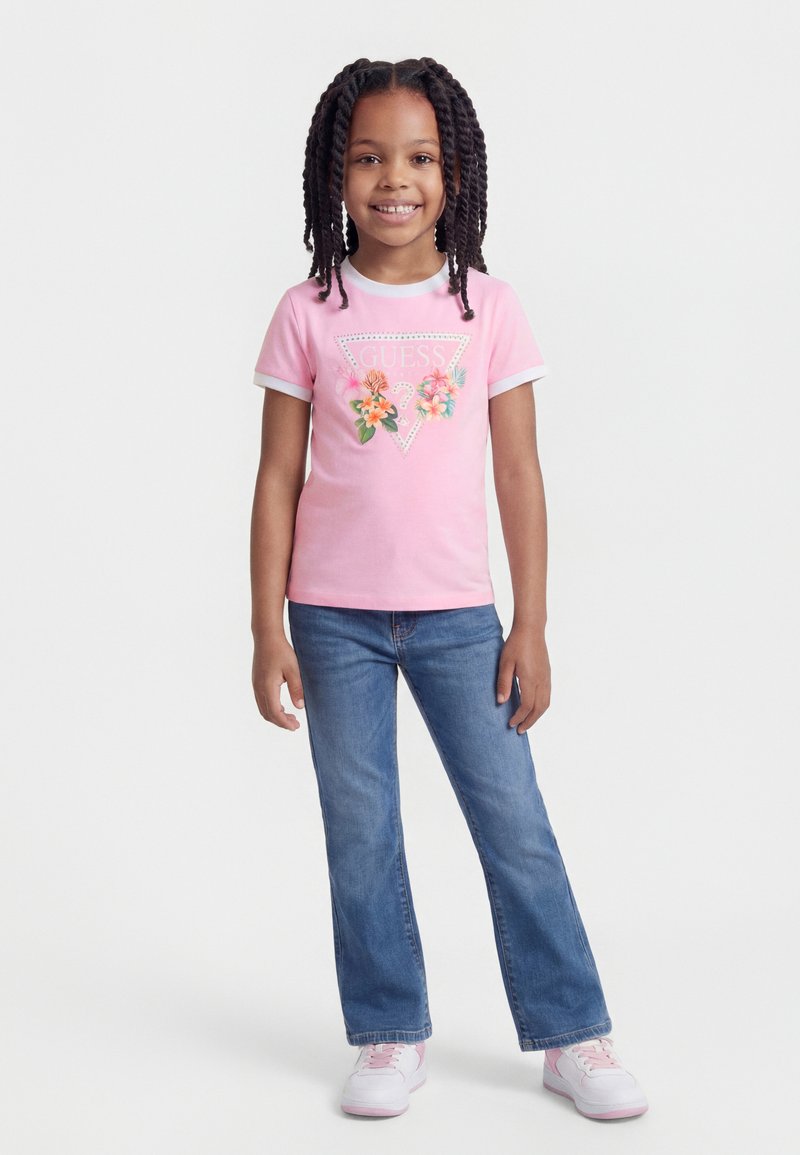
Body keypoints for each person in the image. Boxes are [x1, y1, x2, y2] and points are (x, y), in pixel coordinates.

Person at [249, 57, 648, 1122]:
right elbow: (277, 477)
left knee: (514, 822)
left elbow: (518, 471)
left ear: (454, 173)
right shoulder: (308, 310)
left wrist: (532, 624)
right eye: (368, 158)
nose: (395, 179)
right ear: (333, 176)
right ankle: (388, 1030)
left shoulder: (487, 308)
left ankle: (571, 1032)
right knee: (360, 830)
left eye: (419, 158)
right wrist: (265, 627)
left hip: (460, 619)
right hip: (329, 618)